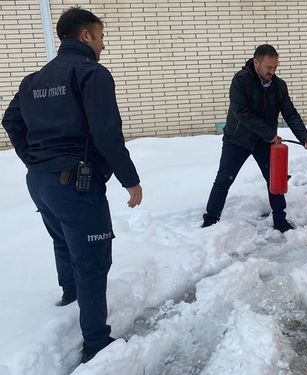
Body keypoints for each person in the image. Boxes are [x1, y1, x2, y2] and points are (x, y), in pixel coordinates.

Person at [1, 7, 142, 363]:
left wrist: (35, 160)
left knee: (64, 242)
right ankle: (96, 342)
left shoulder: (34, 80)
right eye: (100, 36)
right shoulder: (90, 73)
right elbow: (107, 135)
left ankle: (70, 298)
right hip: (75, 186)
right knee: (93, 260)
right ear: (86, 36)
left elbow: (10, 120)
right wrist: (131, 181)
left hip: (42, 183)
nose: (103, 45)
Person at [202, 44, 307, 232]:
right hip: (237, 140)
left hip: (264, 142)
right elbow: (241, 113)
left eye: (275, 68)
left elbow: (290, 114)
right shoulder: (241, 81)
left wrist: (305, 138)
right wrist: (270, 133)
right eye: (268, 67)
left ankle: (280, 220)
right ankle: (210, 220)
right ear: (256, 63)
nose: (272, 72)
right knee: (224, 179)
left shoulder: (279, 86)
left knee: (275, 180)